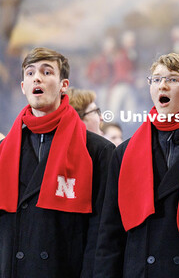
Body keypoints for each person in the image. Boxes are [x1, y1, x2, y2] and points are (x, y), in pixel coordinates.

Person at [94, 53, 179, 277]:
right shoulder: (124, 153)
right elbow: (110, 234)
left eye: (173, 79)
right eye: (156, 80)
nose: (162, 86)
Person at [0, 47, 115, 277]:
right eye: (30, 73)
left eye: (47, 72)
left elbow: (102, 233)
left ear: (64, 85)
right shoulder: (3, 151)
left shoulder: (97, 150)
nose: (37, 78)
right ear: (23, 87)